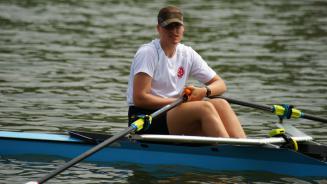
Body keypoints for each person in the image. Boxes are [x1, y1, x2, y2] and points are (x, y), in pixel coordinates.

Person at [127, 6, 246, 138]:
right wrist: (179, 100)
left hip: (174, 111)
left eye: (178, 26)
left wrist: (204, 91)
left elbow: (220, 84)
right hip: (145, 117)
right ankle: (228, 153)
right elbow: (140, 98)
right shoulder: (148, 53)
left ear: (183, 28)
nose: (174, 31)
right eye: (169, 27)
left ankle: (244, 149)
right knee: (204, 108)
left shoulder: (187, 53)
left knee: (221, 103)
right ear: (158, 28)